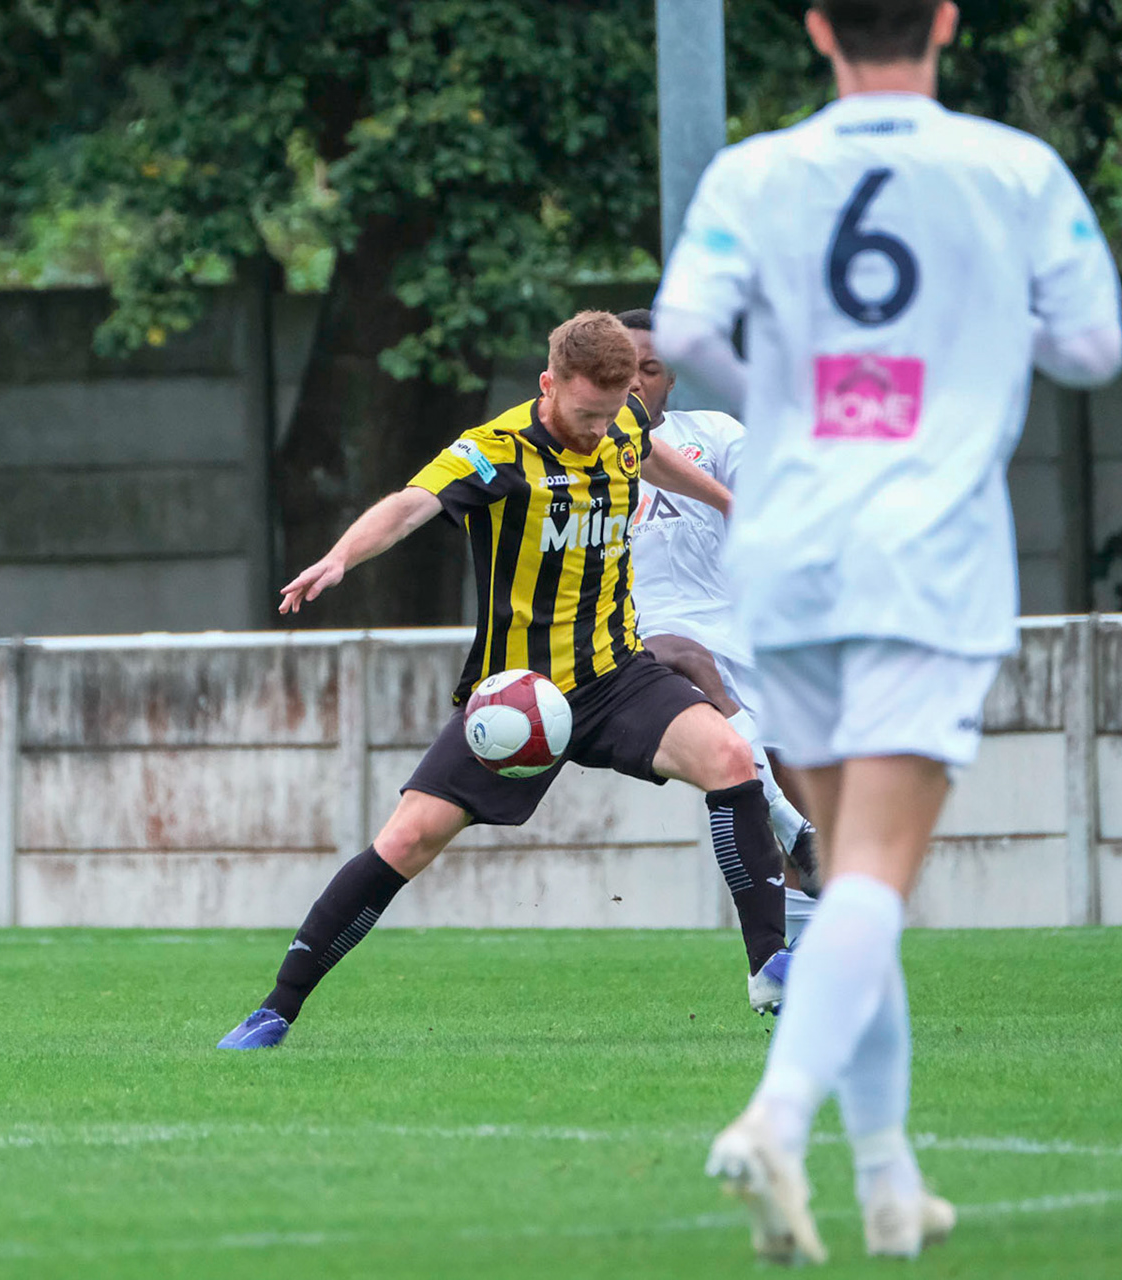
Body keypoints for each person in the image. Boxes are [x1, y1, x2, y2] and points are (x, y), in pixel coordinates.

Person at [654, 0, 1122, 1263]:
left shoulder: (755, 169)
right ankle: (774, 1115)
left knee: (853, 865)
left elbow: (685, 333)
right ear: (947, 22)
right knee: (872, 870)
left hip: (790, 555)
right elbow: (1093, 344)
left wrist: (798, 408)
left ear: (816, 29)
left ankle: (887, 1181)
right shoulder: (1013, 167)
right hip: (926, 554)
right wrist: (964, 353)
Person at [218, 311, 794, 1050]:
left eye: (613, 411)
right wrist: (339, 558)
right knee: (409, 838)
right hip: (518, 696)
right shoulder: (494, 453)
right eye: (584, 413)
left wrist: (726, 501)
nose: (598, 430)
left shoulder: (620, 424)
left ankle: (767, 969)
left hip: (618, 674)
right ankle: (276, 1008)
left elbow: (644, 451)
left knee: (730, 758)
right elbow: (408, 507)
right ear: (548, 385)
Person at [616, 308, 823, 935]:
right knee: (685, 654)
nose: (633, 382)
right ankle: (794, 830)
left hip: (737, 634)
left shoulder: (711, 433)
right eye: (620, 369)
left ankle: (804, 941)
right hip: (636, 635)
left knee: (790, 810)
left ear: (670, 379)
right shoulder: (575, 449)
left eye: (648, 369)